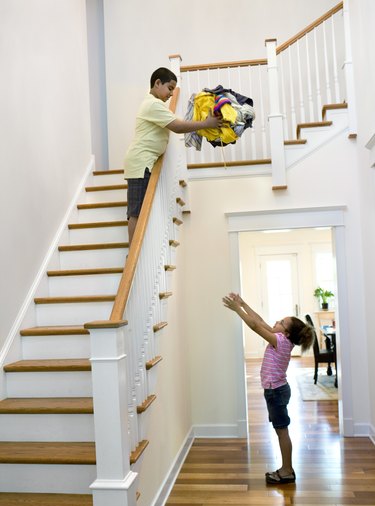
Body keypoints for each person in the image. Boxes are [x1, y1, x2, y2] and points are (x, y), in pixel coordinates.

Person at [124, 67, 223, 246]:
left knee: (141, 210)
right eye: (170, 88)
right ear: (157, 83)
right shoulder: (152, 104)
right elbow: (177, 127)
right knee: (136, 211)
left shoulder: (156, 105)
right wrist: (205, 124)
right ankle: (133, 252)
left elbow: (177, 124)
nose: (171, 93)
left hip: (144, 162)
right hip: (140, 163)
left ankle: (136, 248)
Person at [222, 293, 314, 484]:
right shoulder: (281, 338)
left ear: (286, 333)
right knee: (281, 429)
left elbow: (255, 326)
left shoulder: (279, 341)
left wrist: (237, 309)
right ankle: (285, 468)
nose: (276, 321)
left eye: (281, 322)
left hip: (276, 392)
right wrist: (244, 303)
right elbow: (260, 320)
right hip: (277, 391)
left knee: (282, 431)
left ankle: (287, 471)